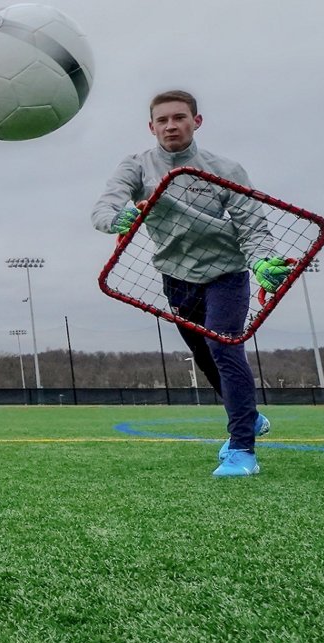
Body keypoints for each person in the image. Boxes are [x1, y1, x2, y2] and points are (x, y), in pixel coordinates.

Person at [92, 89, 285, 477]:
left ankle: (243, 449)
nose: (171, 126)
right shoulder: (137, 167)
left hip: (226, 273)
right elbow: (103, 208)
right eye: (162, 120)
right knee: (204, 355)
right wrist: (118, 219)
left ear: (196, 122)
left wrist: (262, 260)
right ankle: (248, 414)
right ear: (151, 127)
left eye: (179, 117)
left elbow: (252, 224)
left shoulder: (225, 168)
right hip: (177, 278)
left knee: (223, 345)